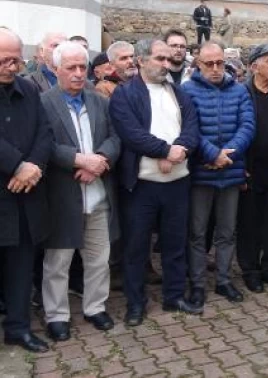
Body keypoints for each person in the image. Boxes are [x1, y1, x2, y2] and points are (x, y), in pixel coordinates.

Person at [109, 39, 202, 326]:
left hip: (178, 182)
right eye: (159, 59)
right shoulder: (125, 94)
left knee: (175, 244)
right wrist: (164, 150)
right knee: (136, 248)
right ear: (141, 60)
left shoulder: (177, 92)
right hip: (141, 186)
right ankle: (136, 303)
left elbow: (192, 127)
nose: (166, 64)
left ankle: (174, 297)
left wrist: (178, 152)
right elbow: (130, 132)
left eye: (167, 59)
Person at [40, 42, 121, 341]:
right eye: (70, 68)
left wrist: (100, 160)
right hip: (63, 197)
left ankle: (95, 307)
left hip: (98, 193)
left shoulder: (98, 100)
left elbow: (115, 137)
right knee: (58, 261)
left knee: (99, 257)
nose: (77, 74)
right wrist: (77, 159)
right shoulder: (44, 103)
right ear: (55, 69)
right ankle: (57, 315)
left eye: (81, 68)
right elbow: (44, 145)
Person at [181, 42, 254, 307]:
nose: (215, 68)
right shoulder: (187, 91)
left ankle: (223, 280)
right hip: (201, 173)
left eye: (219, 63)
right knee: (198, 232)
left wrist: (227, 156)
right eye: (208, 63)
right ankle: (198, 284)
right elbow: (189, 129)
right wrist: (212, 154)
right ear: (198, 64)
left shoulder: (239, 90)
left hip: (231, 172)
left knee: (227, 231)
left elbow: (247, 125)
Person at [0, 28, 53, 353]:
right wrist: (17, 164)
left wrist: (33, 166)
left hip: (25, 195)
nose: (12, 66)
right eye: (4, 60)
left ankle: (18, 328)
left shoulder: (29, 89)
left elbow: (44, 132)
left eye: (16, 60)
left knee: (21, 266)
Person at [237, 44, 268, 293]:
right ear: (255, 66)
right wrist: (240, 167)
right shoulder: (242, 93)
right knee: (249, 224)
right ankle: (251, 271)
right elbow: (234, 132)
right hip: (250, 170)